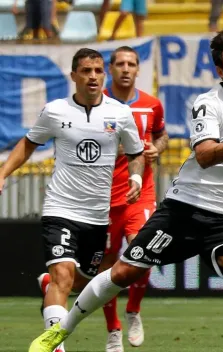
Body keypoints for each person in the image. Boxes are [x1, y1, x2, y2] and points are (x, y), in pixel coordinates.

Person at [28, 28, 223, 352]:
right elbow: (206, 155)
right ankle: (60, 331)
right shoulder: (207, 104)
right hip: (186, 209)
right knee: (123, 273)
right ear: (220, 71)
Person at [0, 48, 145, 352]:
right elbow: (28, 144)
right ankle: (55, 345)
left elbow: (135, 153)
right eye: (86, 71)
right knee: (62, 276)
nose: (92, 76)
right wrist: (2, 173)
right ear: (74, 76)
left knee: (83, 283)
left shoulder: (120, 114)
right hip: (61, 208)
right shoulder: (55, 111)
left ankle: (46, 286)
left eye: (97, 71)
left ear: (103, 75)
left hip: (97, 215)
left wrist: (135, 178)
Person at [102, 45, 168, 352]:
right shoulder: (97, 104)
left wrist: (158, 148)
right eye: (120, 64)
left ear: (138, 69)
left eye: (131, 64)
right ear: (110, 69)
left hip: (140, 194)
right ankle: (113, 329)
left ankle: (134, 310)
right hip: (102, 199)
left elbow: (161, 135)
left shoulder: (152, 105)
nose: (126, 69)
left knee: (145, 254)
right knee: (105, 266)